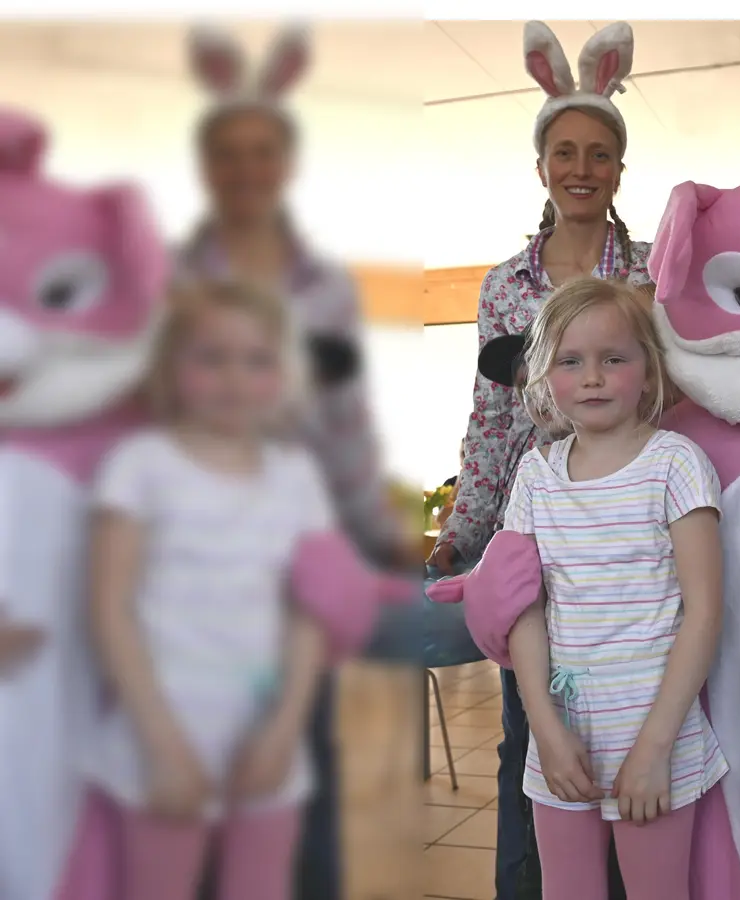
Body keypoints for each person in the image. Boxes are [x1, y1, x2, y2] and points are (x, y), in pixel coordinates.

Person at [178, 25, 413, 900]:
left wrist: (377, 533)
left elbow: (345, 423)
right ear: (209, 167)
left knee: (298, 763)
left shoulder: (327, 289)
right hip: (195, 562)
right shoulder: (172, 281)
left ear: (284, 162)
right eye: (228, 154)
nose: (246, 169)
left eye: (262, 152)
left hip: (299, 559)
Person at [428, 20, 650, 899]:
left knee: (632, 731)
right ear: (543, 167)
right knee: (532, 734)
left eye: (600, 153)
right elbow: (490, 417)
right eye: (566, 151)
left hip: (632, 535)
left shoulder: (652, 275)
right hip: (534, 536)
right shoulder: (502, 288)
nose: (583, 168)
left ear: (620, 170)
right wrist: (464, 529)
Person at [82, 279, 335, 900]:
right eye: (211, 357)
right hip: (160, 736)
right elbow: (109, 606)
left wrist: (283, 731)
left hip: (266, 741)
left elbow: (311, 609)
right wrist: (161, 743)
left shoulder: (295, 476)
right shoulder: (141, 465)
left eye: (256, 360)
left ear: (282, 373)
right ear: (172, 367)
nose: (234, 378)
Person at [493, 276, 725, 900]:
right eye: (571, 361)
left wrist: (654, 747)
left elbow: (704, 613)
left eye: (612, 359)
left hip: (656, 731)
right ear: (546, 377)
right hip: (559, 733)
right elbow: (525, 612)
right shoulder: (535, 476)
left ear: (648, 372)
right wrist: (544, 728)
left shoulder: (674, 463)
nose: (592, 377)